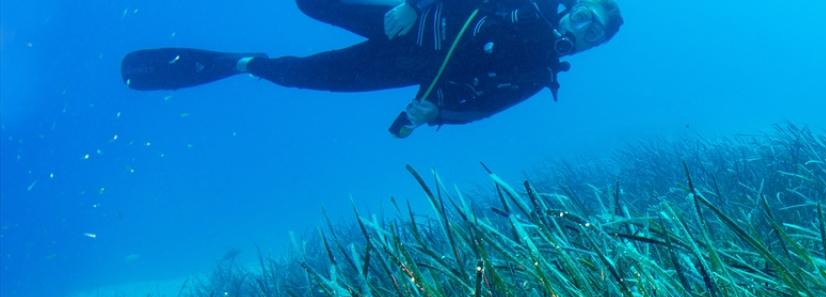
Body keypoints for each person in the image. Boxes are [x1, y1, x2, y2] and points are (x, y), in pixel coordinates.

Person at [121, 0, 622, 137]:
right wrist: (414, 3)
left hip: (402, 68)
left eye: (591, 33)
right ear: (572, 7)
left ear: (592, 47)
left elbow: (488, 105)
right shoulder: (533, 3)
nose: (580, 29)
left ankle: (241, 63)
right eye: (583, 16)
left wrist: (438, 111)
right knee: (311, 4)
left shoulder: (542, 74)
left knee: (304, 75)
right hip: (405, 24)